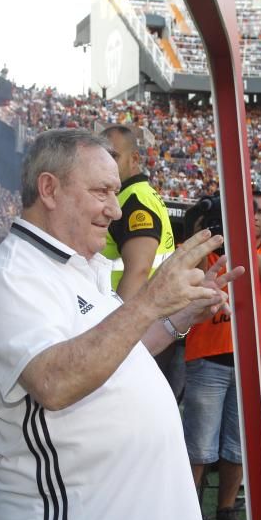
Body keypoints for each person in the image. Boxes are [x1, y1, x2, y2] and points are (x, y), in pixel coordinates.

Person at [0, 129, 243, 520]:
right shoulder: (16, 275)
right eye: (100, 192)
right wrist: (148, 301)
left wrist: (182, 314)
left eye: (115, 193)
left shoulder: (80, 267)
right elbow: (54, 381)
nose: (115, 210)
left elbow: (121, 351)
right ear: (49, 190)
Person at [182, 191, 261, 520]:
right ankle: (187, 515)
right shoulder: (213, 249)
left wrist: (245, 250)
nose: (254, 216)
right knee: (198, 445)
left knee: (237, 446)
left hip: (252, 363)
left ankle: (226, 511)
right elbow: (191, 275)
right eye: (247, 211)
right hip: (208, 356)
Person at [100, 124, 183, 400]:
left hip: (138, 328)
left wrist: (113, 335)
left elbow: (138, 270)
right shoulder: (136, 195)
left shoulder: (134, 201)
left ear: (134, 159)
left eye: (113, 155)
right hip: (149, 321)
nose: (105, 163)